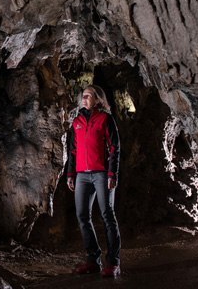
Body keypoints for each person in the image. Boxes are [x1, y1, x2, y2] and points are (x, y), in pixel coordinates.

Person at [65, 85, 122, 277]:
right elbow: (72, 150)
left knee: (107, 215)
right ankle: (93, 260)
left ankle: (113, 262)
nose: (84, 98)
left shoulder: (106, 119)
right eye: (83, 96)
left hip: (101, 174)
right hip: (81, 176)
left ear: (97, 99)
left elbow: (115, 147)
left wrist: (112, 174)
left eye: (88, 96)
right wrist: (71, 174)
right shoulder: (77, 122)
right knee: (82, 216)